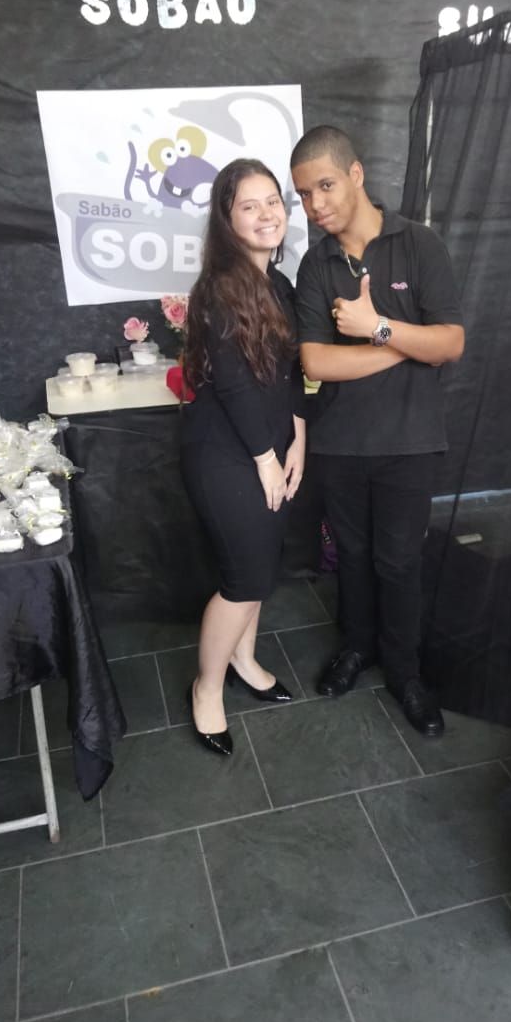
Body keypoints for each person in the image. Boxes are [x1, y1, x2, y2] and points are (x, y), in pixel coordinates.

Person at [292, 126, 464, 737]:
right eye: (304, 195)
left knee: (398, 559)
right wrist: (399, 346)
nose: (315, 205)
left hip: (410, 441)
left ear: (356, 174)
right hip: (339, 442)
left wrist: (377, 327)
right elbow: (316, 362)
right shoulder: (316, 263)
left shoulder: (419, 244)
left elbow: (451, 342)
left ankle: (405, 672)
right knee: (353, 556)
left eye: (325, 186)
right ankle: (357, 646)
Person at [180, 158, 306, 756]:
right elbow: (232, 383)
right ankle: (206, 688)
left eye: (272, 201)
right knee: (243, 578)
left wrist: (298, 438)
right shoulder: (219, 289)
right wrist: (264, 458)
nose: (266, 214)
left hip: (273, 446)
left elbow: (293, 373)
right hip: (227, 454)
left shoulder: (278, 284)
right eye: (249, 206)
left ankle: (245, 660)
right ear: (227, 219)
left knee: (260, 569)